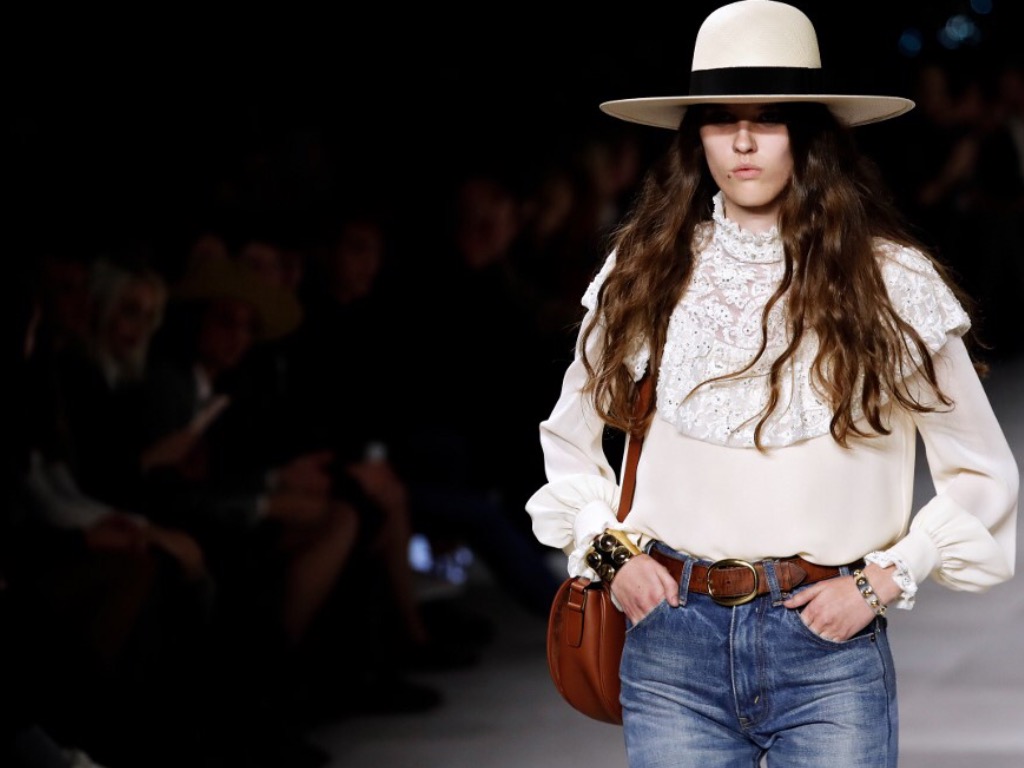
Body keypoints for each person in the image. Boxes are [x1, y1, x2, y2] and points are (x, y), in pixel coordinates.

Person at [525, 2, 1019, 766]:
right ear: (697, 140)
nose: (745, 142)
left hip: (827, 645)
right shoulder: (647, 270)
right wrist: (611, 556)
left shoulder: (889, 281)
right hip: (670, 642)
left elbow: (984, 470)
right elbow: (568, 438)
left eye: (771, 120)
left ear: (812, 136)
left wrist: (886, 578)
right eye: (722, 120)